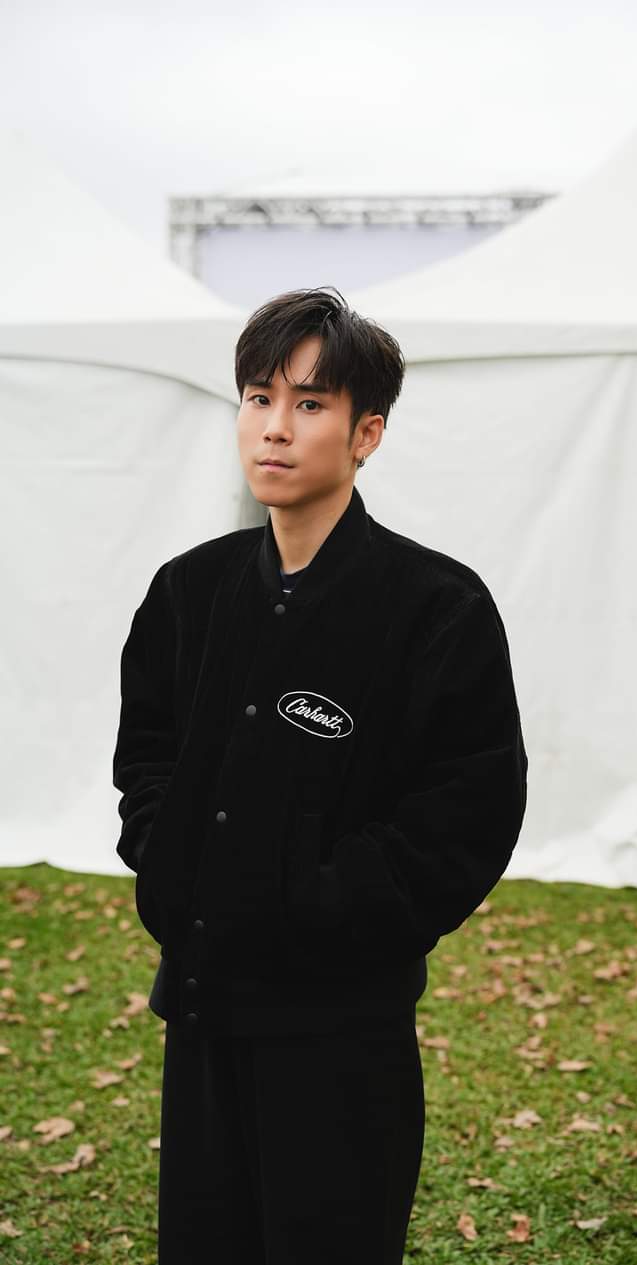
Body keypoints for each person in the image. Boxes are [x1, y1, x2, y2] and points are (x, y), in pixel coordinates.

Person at [112, 285, 528, 1264]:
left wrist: (315, 907)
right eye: (259, 398)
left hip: (341, 1029)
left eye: (309, 403)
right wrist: (172, 866)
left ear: (366, 432)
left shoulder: (437, 607)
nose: (275, 427)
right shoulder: (188, 592)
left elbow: (466, 814)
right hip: (204, 1008)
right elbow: (146, 758)